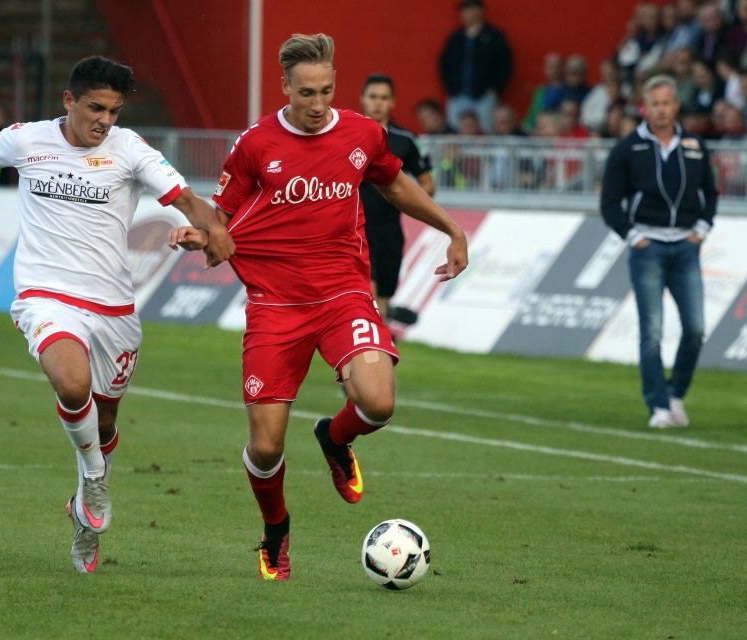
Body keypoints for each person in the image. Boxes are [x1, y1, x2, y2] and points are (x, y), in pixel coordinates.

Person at [0, 56, 234, 573]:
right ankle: (95, 480)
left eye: (114, 110)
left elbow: (186, 200)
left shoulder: (129, 150)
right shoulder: (27, 139)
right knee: (70, 382)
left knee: (104, 422)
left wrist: (213, 228)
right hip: (46, 295)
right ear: (69, 101)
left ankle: (85, 511)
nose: (104, 120)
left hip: (113, 309)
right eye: (95, 107)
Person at [169, 33, 468, 580]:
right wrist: (198, 234)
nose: (316, 104)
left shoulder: (361, 133)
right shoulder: (256, 143)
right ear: (285, 86)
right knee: (264, 447)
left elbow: (395, 183)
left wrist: (450, 228)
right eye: (306, 92)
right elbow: (221, 215)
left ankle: (335, 437)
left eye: (326, 91)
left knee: (378, 402)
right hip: (275, 305)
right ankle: (276, 531)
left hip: (343, 295)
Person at [600, 74, 717, 429]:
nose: (662, 109)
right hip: (647, 246)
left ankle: (676, 394)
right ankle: (658, 406)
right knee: (651, 330)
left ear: (676, 105)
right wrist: (633, 236)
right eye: (655, 104)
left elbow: (710, 193)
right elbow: (610, 203)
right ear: (644, 107)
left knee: (695, 328)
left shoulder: (694, 145)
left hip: (686, 246)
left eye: (667, 103)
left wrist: (702, 229)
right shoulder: (627, 148)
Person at [357, 73, 435, 321]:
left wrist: (405, 198)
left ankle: (379, 335)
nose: (378, 103)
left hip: (390, 228)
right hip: (355, 228)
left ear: (392, 102)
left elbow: (428, 185)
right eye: (373, 97)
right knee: (367, 289)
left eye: (384, 98)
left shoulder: (406, 141)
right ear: (363, 100)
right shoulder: (346, 135)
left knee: (383, 296)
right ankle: (375, 337)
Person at [438, 0, 513, 132]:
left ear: (479, 11)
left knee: (486, 131)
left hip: (484, 95)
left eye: (468, 10)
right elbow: (444, 63)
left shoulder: (493, 36)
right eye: (463, 11)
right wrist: (451, 87)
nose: (464, 14)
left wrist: (494, 87)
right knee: (455, 133)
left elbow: (505, 63)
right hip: (458, 94)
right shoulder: (456, 37)